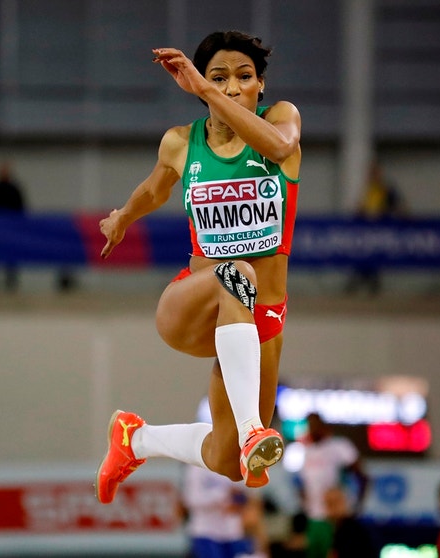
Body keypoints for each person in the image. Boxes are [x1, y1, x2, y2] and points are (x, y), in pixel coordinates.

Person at [95, 31, 302, 506]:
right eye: (218, 78)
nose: (231, 88)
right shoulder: (182, 142)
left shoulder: (283, 121)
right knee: (237, 273)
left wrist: (203, 89)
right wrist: (122, 218)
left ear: (261, 86)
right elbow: (154, 190)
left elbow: (278, 147)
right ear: (200, 83)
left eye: (243, 78)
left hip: (260, 320)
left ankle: (135, 440)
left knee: (228, 461)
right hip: (194, 301)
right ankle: (254, 429)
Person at [182, 398, 267, 558]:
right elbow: (191, 499)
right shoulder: (197, 463)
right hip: (206, 531)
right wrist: (223, 496)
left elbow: (250, 498)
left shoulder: (239, 458)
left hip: (232, 531)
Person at [290, 413, 368, 558]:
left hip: (335, 518)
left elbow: (362, 477)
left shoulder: (338, 447)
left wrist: (358, 505)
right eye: (309, 426)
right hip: (313, 517)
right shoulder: (304, 452)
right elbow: (302, 484)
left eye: (315, 425)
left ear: (322, 426)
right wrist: (304, 501)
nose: (312, 429)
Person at [344, 159, 403, 296]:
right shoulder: (369, 190)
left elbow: (398, 207)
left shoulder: (386, 190)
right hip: (366, 233)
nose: (372, 176)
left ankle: (371, 286)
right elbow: (361, 208)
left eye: (375, 173)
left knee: (373, 260)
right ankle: (360, 286)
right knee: (363, 259)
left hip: (380, 232)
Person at [0, 161, 27, 292]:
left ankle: (11, 280)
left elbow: (21, 209)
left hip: (11, 229)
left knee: (11, 256)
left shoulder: (14, 189)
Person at [324, 486, 376, 558]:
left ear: (346, 502)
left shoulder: (353, 531)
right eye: (329, 503)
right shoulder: (333, 530)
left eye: (336, 502)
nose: (333, 507)